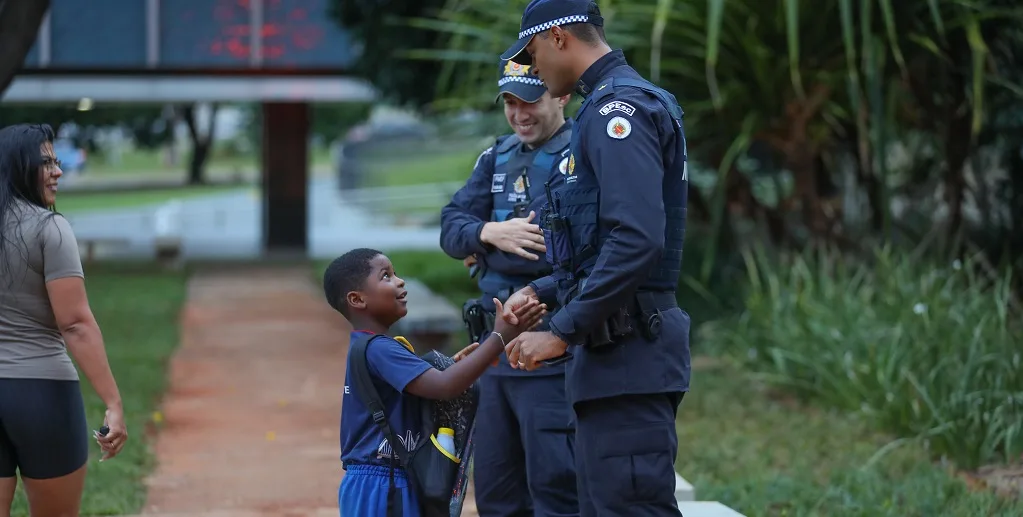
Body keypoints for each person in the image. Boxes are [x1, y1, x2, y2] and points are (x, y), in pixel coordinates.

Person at [497, 1, 692, 515]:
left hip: (628, 355)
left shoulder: (616, 112)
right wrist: (542, 291)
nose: (532, 70)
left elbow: (636, 240)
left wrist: (560, 329)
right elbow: (601, 244)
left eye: (533, 53)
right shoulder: (608, 107)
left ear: (558, 37)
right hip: (614, 359)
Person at [439, 58, 579, 517]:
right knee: (496, 487)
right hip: (493, 350)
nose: (519, 114)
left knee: (555, 483)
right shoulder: (495, 155)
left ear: (561, 96)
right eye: (510, 103)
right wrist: (489, 234)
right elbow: (451, 226)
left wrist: (487, 247)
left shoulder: (584, 154)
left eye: (530, 101)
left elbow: (574, 253)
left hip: (551, 343)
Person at [324, 248, 547, 517]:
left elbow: (432, 386)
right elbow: (444, 386)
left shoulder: (373, 346)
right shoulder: (381, 349)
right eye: (386, 276)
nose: (400, 281)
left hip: (384, 476)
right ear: (357, 299)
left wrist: (457, 367)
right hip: (382, 481)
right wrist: (499, 338)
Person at [0, 123, 128, 516]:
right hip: (42, 394)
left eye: (57, 161)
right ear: (17, 166)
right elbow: (75, 324)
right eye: (46, 162)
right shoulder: (49, 228)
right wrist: (113, 402)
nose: (58, 171)